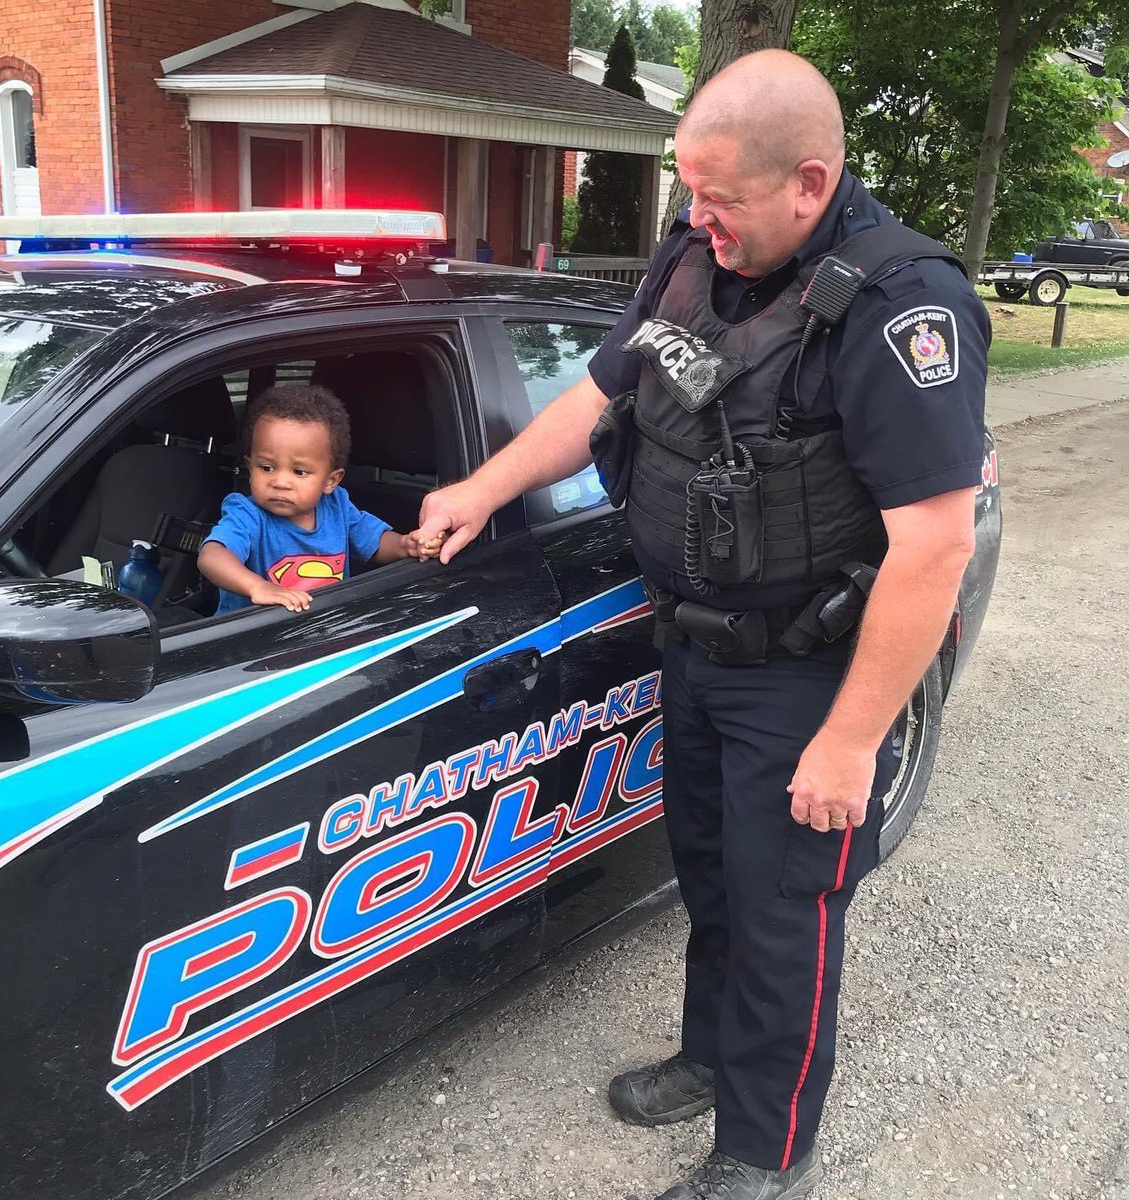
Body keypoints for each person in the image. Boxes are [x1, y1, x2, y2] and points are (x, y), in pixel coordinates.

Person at [415, 48, 989, 1200]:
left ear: (810, 185)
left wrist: (849, 739)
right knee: (715, 876)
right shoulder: (694, 255)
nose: (698, 218)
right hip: (693, 643)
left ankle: (766, 1157)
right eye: (692, 192)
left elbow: (934, 544)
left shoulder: (901, 311)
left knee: (786, 912)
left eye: (720, 201)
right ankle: (712, 1058)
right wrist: (482, 489)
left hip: (805, 668)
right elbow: (601, 393)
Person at [199, 383, 440, 615]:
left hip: (319, 627)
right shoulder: (247, 514)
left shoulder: (338, 507)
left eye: (299, 472)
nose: (280, 482)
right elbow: (212, 556)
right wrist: (256, 586)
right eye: (266, 467)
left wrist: (404, 545)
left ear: (330, 481)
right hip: (252, 640)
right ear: (250, 468)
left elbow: (374, 541)